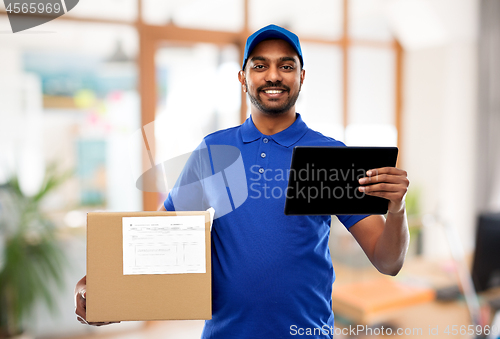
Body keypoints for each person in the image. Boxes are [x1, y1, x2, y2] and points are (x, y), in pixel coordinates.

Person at [75, 24, 410, 338]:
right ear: (243, 76)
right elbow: (157, 242)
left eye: (286, 66)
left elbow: (387, 261)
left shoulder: (329, 156)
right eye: (260, 66)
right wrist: (106, 291)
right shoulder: (213, 150)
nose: (274, 75)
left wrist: (396, 210)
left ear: (302, 76)